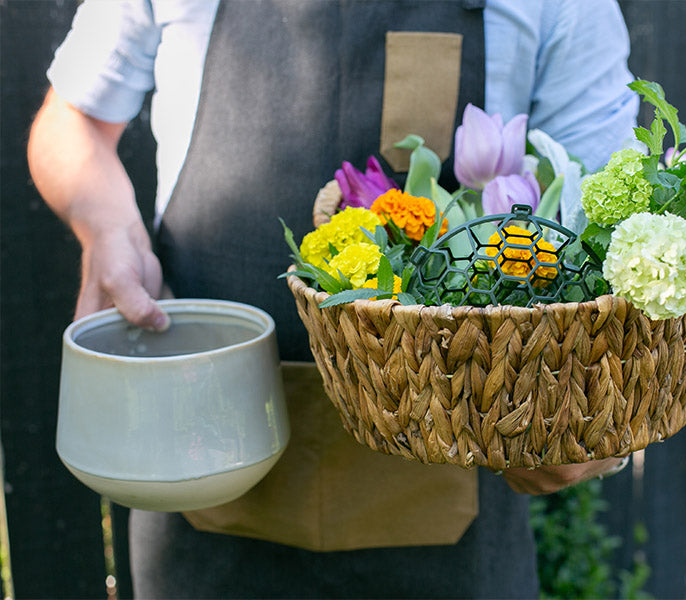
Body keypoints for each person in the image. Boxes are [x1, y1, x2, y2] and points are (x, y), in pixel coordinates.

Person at [28, 0, 638, 597]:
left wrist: (588, 422)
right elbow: (73, 120)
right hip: (192, 478)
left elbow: (608, 227)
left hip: (456, 524)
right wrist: (108, 231)